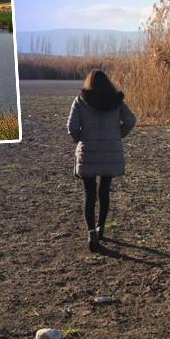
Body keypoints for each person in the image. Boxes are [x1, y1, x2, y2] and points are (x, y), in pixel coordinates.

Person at [67, 69, 136, 252]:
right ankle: (101, 228)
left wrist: (79, 138)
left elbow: (71, 127)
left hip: (88, 152)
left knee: (89, 196)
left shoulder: (80, 102)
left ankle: (91, 234)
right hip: (109, 153)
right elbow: (130, 120)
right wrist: (117, 135)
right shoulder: (116, 102)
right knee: (104, 192)